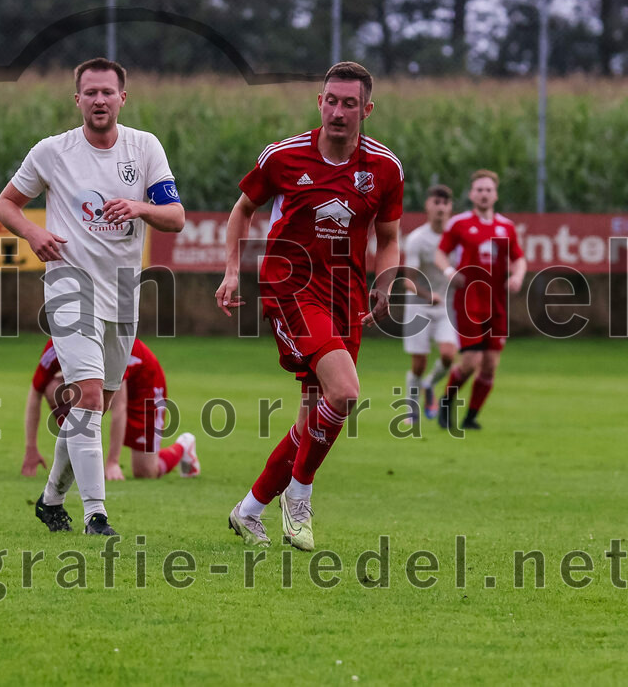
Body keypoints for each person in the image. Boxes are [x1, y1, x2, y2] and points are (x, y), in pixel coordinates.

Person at [216, 61, 403, 550]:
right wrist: (233, 270)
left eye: (349, 104)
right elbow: (242, 211)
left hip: (347, 298)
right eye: (331, 101)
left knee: (313, 419)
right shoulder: (284, 157)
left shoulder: (384, 167)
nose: (339, 112)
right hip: (291, 287)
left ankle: (248, 510)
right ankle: (299, 497)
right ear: (319, 102)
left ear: (367, 109)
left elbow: (389, 236)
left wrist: (386, 279)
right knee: (343, 393)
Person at [0, 58, 185, 536]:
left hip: (122, 292)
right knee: (90, 396)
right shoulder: (53, 152)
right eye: (90, 93)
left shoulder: (145, 148)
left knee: (92, 405)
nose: (99, 100)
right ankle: (96, 514)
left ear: (123, 98)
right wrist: (33, 234)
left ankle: (51, 498)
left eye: (107, 92)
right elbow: (6, 204)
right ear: (76, 99)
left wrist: (141, 206)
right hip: (69, 286)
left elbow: (176, 216)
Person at [22, 338, 199, 484]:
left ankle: (184, 446)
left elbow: (119, 406)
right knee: (53, 387)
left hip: (145, 387)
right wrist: (31, 449)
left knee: (145, 471)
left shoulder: (109, 345)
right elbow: (35, 390)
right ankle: (75, 454)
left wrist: (112, 462)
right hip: (108, 380)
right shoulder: (57, 344)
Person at [435, 169, 526, 431]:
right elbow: (441, 254)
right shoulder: (460, 224)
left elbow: (519, 258)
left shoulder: (506, 227)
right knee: (471, 362)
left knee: (490, 366)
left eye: (488, 190)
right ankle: (446, 400)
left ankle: (471, 416)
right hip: (469, 302)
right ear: (472, 194)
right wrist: (450, 272)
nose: (484, 194)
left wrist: (518, 275)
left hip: (497, 302)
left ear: (495, 194)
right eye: (479, 189)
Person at [400, 185, 457, 423]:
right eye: (436, 203)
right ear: (428, 206)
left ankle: (428, 384)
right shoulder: (417, 239)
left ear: (450, 208)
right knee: (419, 363)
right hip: (418, 307)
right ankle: (411, 412)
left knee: (448, 355)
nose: (441, 208)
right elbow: (407, 281)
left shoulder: (458, 237)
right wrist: (427, 295)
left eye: (445, 204)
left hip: (446, 307)